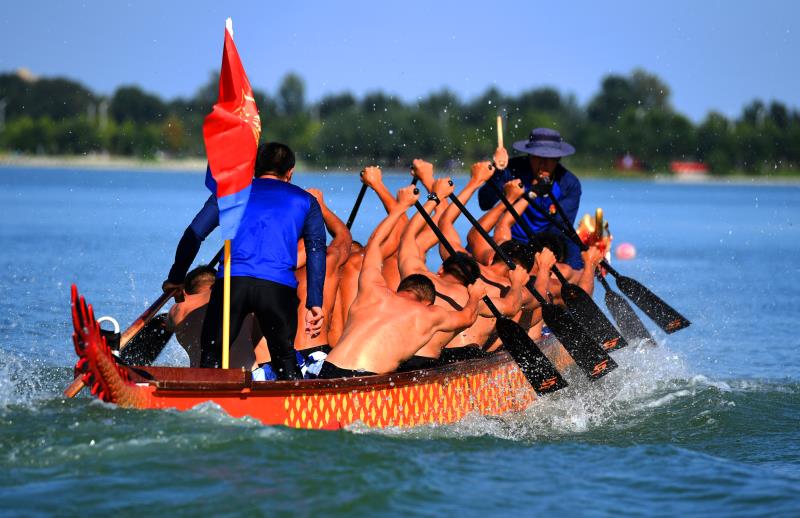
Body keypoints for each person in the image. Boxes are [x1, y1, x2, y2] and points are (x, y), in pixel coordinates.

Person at [163, 142, 326, 379]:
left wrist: (177, 277)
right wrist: (315, 302)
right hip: (277, 289)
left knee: (211, 358)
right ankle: (293, 396)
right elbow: (316, 250)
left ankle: (205, 394)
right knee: (285, 360)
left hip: (233, 284)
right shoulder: (307, 201)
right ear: (290, 172)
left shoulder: (230, 194)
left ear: (253, 168)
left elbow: (194, 234)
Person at [318, 186, 484, 378]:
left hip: (327, 371)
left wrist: (401, 206)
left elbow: (374, 242)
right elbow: (467, 317)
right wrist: (475, 296)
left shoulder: (372, 289)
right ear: (428, 302)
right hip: (364, 379)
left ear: (400, 289)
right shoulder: (430, 313)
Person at [477, 127, 584, 270]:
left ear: (558, 159)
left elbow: (559, 230)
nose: (542, 164)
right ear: (529, 156)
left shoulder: (569, 183)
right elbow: (484, 202)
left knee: (576, 261)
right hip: (510, 239)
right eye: (537, 157)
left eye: (549, 159)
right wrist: (498, 172)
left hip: (547, 242)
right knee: (473, 250)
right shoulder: (511, 170)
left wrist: (536, 254)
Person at [166, 265, 268, 369]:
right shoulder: (240, 298)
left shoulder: (180, 308)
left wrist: (179, 294)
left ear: (185, 292)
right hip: (246, 375)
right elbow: (264, 355)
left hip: (202, 377)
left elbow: (167, 325)